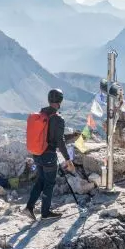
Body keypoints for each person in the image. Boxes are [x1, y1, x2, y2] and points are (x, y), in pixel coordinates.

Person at [25, 88, 75, 220]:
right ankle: (45, 212)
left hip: (37, 153)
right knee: (49, 183)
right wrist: (68, 160)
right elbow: (60, 141)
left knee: (41, 180)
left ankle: (29, 207)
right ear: (60, 102)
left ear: (49, 100)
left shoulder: (42, 114)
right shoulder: (58, 119)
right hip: (49, 155)